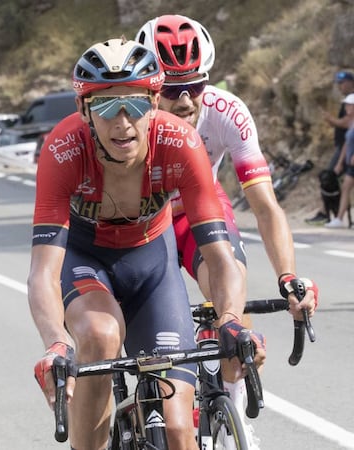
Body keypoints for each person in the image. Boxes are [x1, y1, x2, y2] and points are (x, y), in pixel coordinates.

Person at [28, 37, 269, 450]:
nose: (123, 122)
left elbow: (219, 254)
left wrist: (230, 318)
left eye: (136, 105)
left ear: (155, 102)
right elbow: (43, 272)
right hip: (87, 260)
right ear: (85, 110)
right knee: (101, 336)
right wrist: (56, 341)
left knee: (178, 431)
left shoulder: (181, 143)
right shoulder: (63, 150)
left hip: (152, 262)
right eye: (106, 107)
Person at [135, 14, 318, 446]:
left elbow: (265, 205)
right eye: (172, 90)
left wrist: (287, 276)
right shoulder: (130, 118)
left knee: (231, 301)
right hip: (140, 221)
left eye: (194, 87)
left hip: (197, 211)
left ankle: (230, 407)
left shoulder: (226, 112)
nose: (184, 101)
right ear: (149, 86)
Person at [306, 70, 354, 225]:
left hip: (347, 150)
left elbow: (346, 123)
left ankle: (328, 213)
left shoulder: (351, 102)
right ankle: (333, 214)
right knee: (342, 183)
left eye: (342, 83)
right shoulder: (347, 101)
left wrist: (330, 119)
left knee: (330, 178)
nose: (340, 86)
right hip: (345, 147)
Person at [325, 93, 354, 228]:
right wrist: (340, 162)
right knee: (346, 188)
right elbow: (346, 144)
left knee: (347, 187)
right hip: (350, 164)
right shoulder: (350, 122)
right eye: (346, 105)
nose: (347, 107)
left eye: (349, 105)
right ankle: (339, 219)